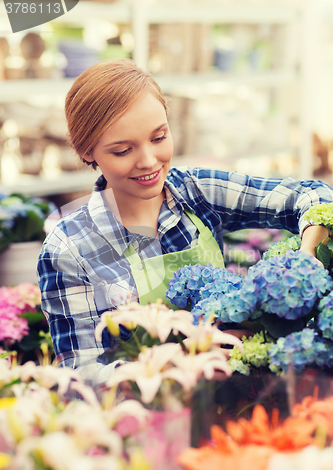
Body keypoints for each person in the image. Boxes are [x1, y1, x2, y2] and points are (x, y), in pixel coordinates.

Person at [38, 59, 332, 387]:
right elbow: (81, 378)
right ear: (87, 151)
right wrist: (181, 358)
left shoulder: (196, 192)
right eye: (122, 150)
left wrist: (307, 257)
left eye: (159, 137)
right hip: (149, 420)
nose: (149, 161)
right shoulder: (71, 247)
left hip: (229, 396)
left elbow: (314, 196)